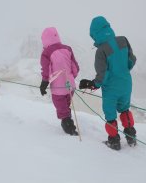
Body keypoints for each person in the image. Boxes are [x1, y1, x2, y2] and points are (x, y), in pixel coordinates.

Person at [79, 16, 137, 150]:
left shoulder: (101, 51)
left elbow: (102, 75)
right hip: (126, 84)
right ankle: (131, 137)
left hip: (111, 88)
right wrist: (122, 70)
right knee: (125, 109)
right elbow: (131, 61)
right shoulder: (123, 40)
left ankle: (114, 141)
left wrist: (92, 84)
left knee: (110, 115)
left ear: (95, 33)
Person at [40, 27, 80, 136]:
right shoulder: (67, 48)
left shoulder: (46, 53)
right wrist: (72, 76)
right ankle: (68, 118)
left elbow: (46, 70)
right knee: (66, 104)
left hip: (58, 88)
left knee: (61, 106)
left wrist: (44, 84)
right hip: (70, 85)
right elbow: (75, 67)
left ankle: (68, 124)